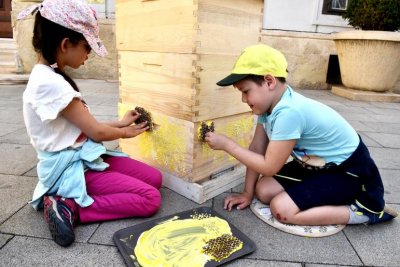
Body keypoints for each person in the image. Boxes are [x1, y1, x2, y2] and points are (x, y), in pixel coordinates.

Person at [18, 0, 162, 247]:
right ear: (65, 44)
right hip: (70, 168)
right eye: (87, 47)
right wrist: (125, 132)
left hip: (85, 157)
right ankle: (68, 206)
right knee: (150, 198)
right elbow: (95, 130)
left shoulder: (49, 76)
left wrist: (119, 122)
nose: (88, 55)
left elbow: (84, 126)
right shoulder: (49, 82)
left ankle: (85, 192)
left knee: (154, 178)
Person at [205, 44, 398, 226]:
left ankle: (365, 213)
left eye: (246, 91)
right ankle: (318, 190)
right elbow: (257, 148)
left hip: (348, 171)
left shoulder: (290, 112)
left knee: (281, 210)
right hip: (318, 164)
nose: (243, 99)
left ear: (269, 81)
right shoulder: (269, 107)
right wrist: (247, 193)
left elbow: (269, 167)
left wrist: (228, 145)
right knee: (263, 191)